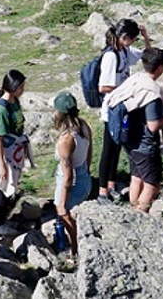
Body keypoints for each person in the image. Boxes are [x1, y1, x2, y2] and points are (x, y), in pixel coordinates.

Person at [108, 48, 163, 212]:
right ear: (160, 68)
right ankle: (140, 215)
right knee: (151, 184)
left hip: (129, 141)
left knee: (136, 177)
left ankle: (132, 209)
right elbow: (153, 125)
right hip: (145, 145)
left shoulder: (135, 80)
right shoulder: (151, 92)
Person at [97, 18, 151, 205]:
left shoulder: (124, 51)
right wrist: (125, 90)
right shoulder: (111, 56)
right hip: (112, 109)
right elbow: (103, 86)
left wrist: (145, 37)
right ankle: (102, 191)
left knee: (117, 147)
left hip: (121, 108)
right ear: (125, 37)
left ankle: (110, 185)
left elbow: (148, 56)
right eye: (133, 39)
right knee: (109, 150)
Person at [0, 69, 29, 236]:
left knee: (7, 186)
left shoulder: (14, 101)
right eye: (21, 87)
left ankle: (4, 220)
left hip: (13, 151)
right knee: (2, 186)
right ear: (13, 87)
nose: (23, 90)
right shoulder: (1, 110)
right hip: (4, 154)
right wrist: (2, 165)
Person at [53, 91, 92, 256]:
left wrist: (61, 202)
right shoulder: (84, 126)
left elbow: (68, 177)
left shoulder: (65, 141)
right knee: (75, 216)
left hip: (71, 181)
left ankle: (76, 250)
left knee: (66, 214)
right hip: (84, 176)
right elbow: (90, 152)